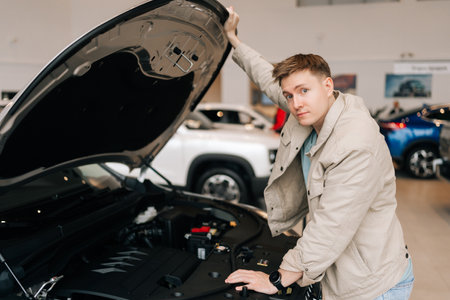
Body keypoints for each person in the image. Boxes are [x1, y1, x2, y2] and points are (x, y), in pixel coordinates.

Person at [223, 7, 414, 300]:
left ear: (328, 85)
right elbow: (265, 75)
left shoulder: (355, 143)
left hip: (371, 285)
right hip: (340, 269)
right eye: (289, 95)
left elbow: (332, 226)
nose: (295, 102)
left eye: (303, 91)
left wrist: (277, 278)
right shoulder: (310, 110)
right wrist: (232, 40)